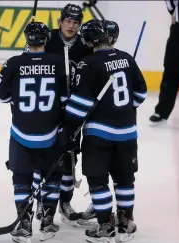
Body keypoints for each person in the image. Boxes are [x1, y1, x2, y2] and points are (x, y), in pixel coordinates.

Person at [60, 19, 147, 243]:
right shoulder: (127, 59)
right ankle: (126, 222)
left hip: (99, 135)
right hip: (128, 133)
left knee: (98, 181)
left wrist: (68, 130)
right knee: (125, 179)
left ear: (89, 41)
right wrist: (123, 110)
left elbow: (78, 106)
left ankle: (105, 227)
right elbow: (140, 95)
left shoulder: (87, 64)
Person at [0, 21, 68, 243]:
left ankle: (24, 223)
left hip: (21, 134)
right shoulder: (57, 62)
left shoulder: (14, 63)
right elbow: (65, 100)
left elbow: (2, 95)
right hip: (51, 134)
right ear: (46, 40)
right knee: (52, 177)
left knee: (21, 179)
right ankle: (47, 220)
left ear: (26, 39)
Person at [34, 3, 92, 227]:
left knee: (69, 157)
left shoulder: (85, 46)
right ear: (60, 21)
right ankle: (41, 200)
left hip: (74, 111)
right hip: (47, 109)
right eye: (68, 20)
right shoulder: (47, 39)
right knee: (42, 157)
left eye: (76, 22)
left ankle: (64, 202)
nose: (71, 25)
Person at [77, 19, 120, 226]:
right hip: (122, 128)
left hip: (99, 128)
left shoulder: (93, 61)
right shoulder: (123, 58)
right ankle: (110, 209)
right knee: (113, 173)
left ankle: (105, 213)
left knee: (100, 171)